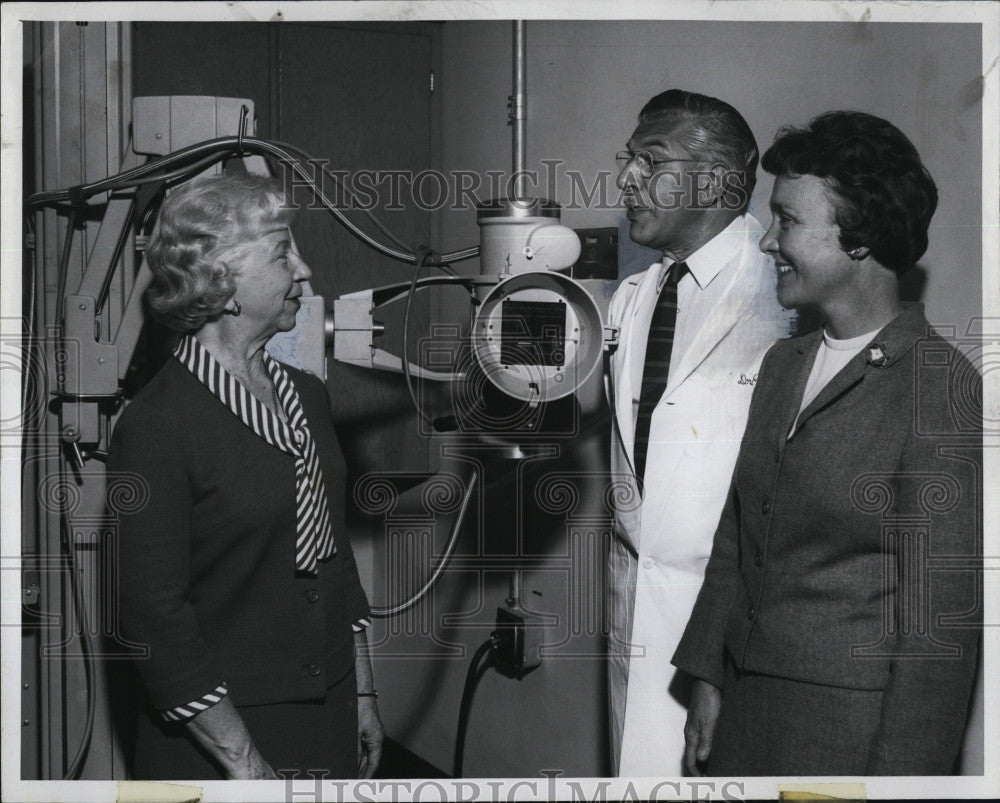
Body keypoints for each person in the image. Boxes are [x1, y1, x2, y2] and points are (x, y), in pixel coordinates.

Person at [672, 110, 982, 775]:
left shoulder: (938, 386)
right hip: (742, 720)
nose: (766, 242)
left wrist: (903, 782)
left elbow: (939, 629)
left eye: (787, 221)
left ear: (860, 238)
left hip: (848, 741)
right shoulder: (786, 363)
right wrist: (707, 681)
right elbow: (737, 534)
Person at [108, 172, 384, 780]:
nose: (305, 271)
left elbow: (333, 557)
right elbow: (154, 620)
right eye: (284, 252)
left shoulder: (307, 396)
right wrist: (245, 762)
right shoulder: (155, 426)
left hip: (327, 710)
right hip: (219, 735)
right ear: (221, 279)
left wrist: (361, 693)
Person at [606, 89, 795, 776]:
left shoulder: (784, 291)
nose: (625, 178)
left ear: (715, 181)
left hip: (738, 623)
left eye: (649, 161)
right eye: (628, 159)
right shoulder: (636, 295)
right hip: (634, 606)